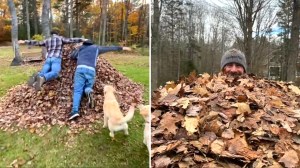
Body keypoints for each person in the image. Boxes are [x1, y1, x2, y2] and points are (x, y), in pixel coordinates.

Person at [68, 40, 132, 120]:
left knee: (78, 90)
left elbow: (72, 56)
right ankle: (88, 91)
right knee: (88, 86)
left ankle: (75, 111)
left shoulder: (81, 48)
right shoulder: (96, 48)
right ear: (92, 44)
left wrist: (76, 50)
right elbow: (109, 48)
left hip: (80, 69)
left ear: (84, 44)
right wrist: (122, 48)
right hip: (91, 70)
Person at [19, 30, 87, 91]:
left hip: (48, 59)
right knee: (55, 73)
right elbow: (71, 40)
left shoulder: (47, 40)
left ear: (51, 34)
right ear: (57, 34)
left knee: (43, 72)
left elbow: (37, 43)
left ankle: (36, 76)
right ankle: (43, 78)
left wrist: (25, 41)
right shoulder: (60, 38)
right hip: (56, 58)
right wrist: (82, 39)